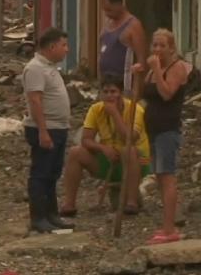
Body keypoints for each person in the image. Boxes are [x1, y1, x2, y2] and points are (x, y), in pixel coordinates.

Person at [60, 75, 151, 217]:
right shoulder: (96, 109)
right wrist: (103, 148)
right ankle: (69, 204)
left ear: (120, 93)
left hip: (136, 161)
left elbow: (130, 139)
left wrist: (115, 114)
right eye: (106, 92)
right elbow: (86, 140)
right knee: (75, 152)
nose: (109, 96)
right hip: (110, 158)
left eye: (113, 92)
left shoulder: (135, 109)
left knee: (129, 150)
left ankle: (131, 202)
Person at [133, 28, 188, 244]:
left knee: (167, 177)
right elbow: (140, 95)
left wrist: (155, 69)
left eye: (161, 45)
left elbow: (166, 94)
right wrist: (139, 75)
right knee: (160, 177)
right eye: (154, 45)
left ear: (171, 48)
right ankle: (166, 227)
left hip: (168, 129)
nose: (157, 49)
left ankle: (169, 229)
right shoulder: (151, 70)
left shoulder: (178, 68)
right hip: (153, 130)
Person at [22, 27, 72, 233]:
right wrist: (43, 131)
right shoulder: (35, 68)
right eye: (64, 45)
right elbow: (35, 101)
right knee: (41, 173)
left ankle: (52, 214)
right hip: (46, 128)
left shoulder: (50, 67)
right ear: (52, 47)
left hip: (58, 127)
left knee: (53, 173)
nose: (66, 50)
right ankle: (38, 217)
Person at [99, 0, 147, 92]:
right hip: (106, 84)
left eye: (109, 10)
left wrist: (137, 90)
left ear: (119, 5)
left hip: (124, 86)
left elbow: (141, 61)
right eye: (105, 10)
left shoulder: (133, 25)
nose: (107, 14)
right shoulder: (107, 24)